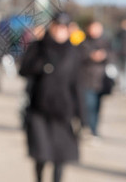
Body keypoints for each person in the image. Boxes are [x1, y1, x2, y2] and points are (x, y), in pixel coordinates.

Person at [19, 12, 85, 182]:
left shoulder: (74, 52)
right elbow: (23, 70)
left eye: (64, 27)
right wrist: (41, 66)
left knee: (59, 156)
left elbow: (77, 85)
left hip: (63, 111)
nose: (60, 31)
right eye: (57, 26)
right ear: (52, 26)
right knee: (40, 154)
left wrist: (82, 116)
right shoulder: (37, 47)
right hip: (38, 108)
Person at [78, 19, 112, 139]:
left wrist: (104, 55)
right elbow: (78, 57)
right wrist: (90, 56)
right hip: (86, 79)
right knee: (88, 105)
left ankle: (94, 129)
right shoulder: (83, 43)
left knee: (97, 107)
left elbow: (113, 56)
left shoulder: (106, 42)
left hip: (101, 80)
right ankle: (87, 127)